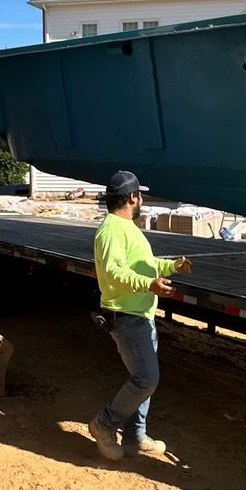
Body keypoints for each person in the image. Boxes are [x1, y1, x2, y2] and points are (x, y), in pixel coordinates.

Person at [89, 170, 191, 460]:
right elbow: (113, 272)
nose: (142, 198)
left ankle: (135, 437)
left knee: (143, 377)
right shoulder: (111, 230)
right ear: (133, 197)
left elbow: (144, 264)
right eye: (140, 194)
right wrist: (149, 285)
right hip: (127, 316)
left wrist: (172, 266)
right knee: (146, 379)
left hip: (141, 314)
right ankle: (103, 425)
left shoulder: (126, 227)